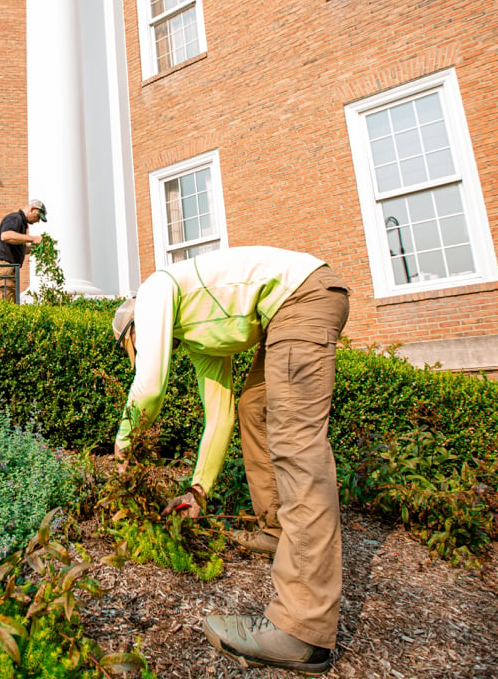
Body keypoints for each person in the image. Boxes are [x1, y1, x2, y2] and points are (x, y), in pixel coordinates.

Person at [111, 246, 349, 674]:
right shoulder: (201, 333)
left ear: (134, 328)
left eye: (132, 343)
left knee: (296, 444)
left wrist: (124, 443)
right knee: (252, 410)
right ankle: (278, 529)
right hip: (289, 307)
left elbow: (149, 386)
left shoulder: (154, 290)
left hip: (301, 298)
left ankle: (302, 628)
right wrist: (198, 490)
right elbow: (218, 417)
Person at [0, 199, 46, 302]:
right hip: (3, 269)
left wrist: (35, 248)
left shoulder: (21, 223)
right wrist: (33, 238)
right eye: (38, 216)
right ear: (32, 209)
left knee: (9, 301)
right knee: (5, 304)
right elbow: (6, 236)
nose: (38, 220)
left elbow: (18, 246)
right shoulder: (15, 218)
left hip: (6, 269)